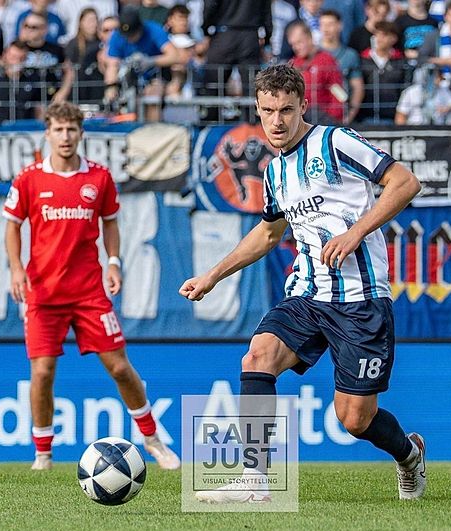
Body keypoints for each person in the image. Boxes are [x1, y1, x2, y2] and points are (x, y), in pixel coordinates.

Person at [180, 64, 426, 504]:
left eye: (286, 111)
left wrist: (355, 233)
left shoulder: (336, 142)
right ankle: (255, 480)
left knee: (354, 419)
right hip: (308, 294)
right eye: (268, 111)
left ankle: (409, 455)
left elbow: (405, 182)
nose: (276, 121)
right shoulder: (274, 172)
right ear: (257, 109)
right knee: (257, 356)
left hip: (360, 299)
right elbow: (268, 234)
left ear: (303, 107)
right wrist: (212, 276)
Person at [3, 101, 181, 472]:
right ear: (48, 134)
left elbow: (110, 222)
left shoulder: (98, 178)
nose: (65, 136)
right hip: (43, 294)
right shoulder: (29, 179)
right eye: (58, 129)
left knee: (119, 367)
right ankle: (43, 455)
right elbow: (12, 226)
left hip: (88, 293)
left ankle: (152, 438)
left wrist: (114, 262)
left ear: (81, 133)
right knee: (42, 372)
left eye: (71, 129)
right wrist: (16, 269)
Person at [287, 20, 346, 123]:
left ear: (310, 38)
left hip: (323, 118)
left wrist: (333, 119)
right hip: (300, 117)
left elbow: (339, 94)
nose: (296, 47)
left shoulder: (327, 60)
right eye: (293, 44)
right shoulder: (293, 63)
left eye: (299, 42)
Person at [320, 10, 364, 124]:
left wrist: (349, 117)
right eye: (323, 24)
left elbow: (358, 88)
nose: (326, 29)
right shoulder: (312, 54)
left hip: (341, 114)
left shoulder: (350, 55)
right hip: (315, 115)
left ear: (340, 26)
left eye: (330, 24)